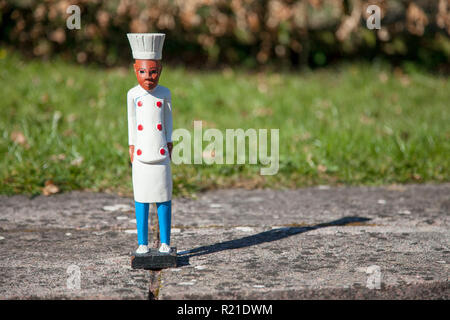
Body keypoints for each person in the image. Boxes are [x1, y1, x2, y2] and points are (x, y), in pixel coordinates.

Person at [126, 33, 173, 254]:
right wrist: (131, 144)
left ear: (160, 70)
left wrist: (170, 140)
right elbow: (131, 121)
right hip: (141, 154)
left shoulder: (165, 94)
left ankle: (165, 242)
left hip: (161, 151)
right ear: (135, 70)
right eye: (143, 72)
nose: (148, 77)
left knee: (163, 198)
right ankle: (142, 243)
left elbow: (168, 119)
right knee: (141, 199)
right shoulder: (132, 95)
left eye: (153, 71)